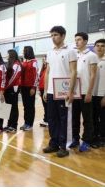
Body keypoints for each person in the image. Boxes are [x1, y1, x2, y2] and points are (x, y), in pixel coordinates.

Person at [43, 26, 77, 158]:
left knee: (63, 119)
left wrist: (71, 91)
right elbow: (48, 72)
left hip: (63, 91)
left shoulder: (70, 51)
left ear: (63, 36)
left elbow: (74, 71)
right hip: (51, 91)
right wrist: (46, 90)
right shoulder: (50, 52)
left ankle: (63, 146)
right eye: (51, 35)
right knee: (52, 118)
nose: (53, 37)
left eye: (55, 35)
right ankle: (54, 143)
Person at [70, 32, 98, 151]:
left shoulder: (92, 55)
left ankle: (86, 140)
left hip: (85, 91)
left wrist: (89, 92)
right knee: (74, 118)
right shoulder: (74, 55)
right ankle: (75, 139)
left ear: (85, 41)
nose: (77, 41)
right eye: (75, 39)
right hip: (75, 92)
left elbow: (93, 76)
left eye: (79, 39)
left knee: (87, 119)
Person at [20, 46, 39, 131]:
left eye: (24, 51)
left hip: (30, 88)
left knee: (30, 106)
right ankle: (26, 122)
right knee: (25, 106)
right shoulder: (24, 62)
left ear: (28, 51)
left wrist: (33, 87)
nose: (23, 52)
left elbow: (36, 76)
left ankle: (30, 124)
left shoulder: (34, 62)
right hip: (23, 87)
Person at [3, 49, 22, 133]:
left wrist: (5, 87)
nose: (6, 56)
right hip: (8, 88)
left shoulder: (17, 64)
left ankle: (14, 126)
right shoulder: (9, 64)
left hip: (13, 88)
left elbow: (14, 78)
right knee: (8, 107)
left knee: (13, 107)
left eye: (7, 54)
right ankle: (9, 124)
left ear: (11, 55)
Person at [93, 39, 105, 147]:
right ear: (94, 47)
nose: (100, 47)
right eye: (98, 45)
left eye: (102, 46)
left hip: (102, 96)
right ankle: (95, 137)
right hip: (92, 94)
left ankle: (102, 138)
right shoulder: (92, 61)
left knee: (103, 118)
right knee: (94, 118)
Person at [38, 55, 48, 127]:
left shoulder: (49, 68)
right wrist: (39, 89)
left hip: (46, 89)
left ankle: (48, 120)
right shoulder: (43, 69)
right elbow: (39, 79)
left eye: (45, 59)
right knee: (45, 105)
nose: (44, 61)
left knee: (48, 105)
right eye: (43, 60)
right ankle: (46, 119)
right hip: (41, 89)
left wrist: (45, 90)